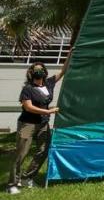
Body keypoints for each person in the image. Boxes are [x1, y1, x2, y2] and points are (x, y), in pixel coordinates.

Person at [7, 61, 67, 194]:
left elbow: (63, 71)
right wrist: (48, 111)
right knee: (21, 153)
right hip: (28, 124)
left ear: (45, 72)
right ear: (31, 73)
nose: (38, 70)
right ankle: (12, 184)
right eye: (35, 69)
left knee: (43, 151)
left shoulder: (49, 83)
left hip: (43, 124)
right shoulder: (28, 88)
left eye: (41, 68)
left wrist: (70, 52)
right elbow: (28, 107)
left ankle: (26, 177)